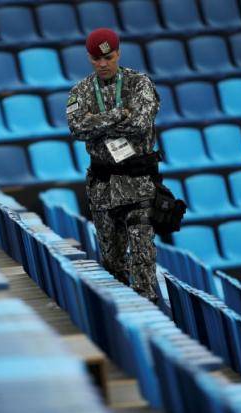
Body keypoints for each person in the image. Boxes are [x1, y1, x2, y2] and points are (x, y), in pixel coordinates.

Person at [66, 28, 161, 302]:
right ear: (89, 58)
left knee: (143, 261)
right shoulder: (81, 90)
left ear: (118, 52)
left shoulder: (139, 83)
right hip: (103, 187)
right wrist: (120, 113)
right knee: (111, 262)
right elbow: (78, 127)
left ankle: (149, 318)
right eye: (96, 59)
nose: (103, 64)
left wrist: (100, 122)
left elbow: (140, 122)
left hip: (138, 184)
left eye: (108, 57)